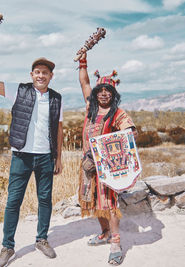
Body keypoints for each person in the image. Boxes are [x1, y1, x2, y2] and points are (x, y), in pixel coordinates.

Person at [0, 46, 63, 267]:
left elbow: (59, 129)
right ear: (32, 75)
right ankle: (7, 246)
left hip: (46, 157)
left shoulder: (57, 98)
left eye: (45, 72)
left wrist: (59, 157)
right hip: (21, 156)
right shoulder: (19, 90)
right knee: (13, 202)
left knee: (45, 200)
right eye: (37, 71)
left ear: (51, 76)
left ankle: (42, 240)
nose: (41, 75)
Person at [77, 52, 137, 266]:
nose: (103, 94)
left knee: (109, 203)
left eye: (108, 91)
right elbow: (83, 80)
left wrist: (128, 132)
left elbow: (128, 128)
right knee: (93, 202)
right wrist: (82, 61)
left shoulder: (117, 113)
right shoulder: (90, 108)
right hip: (87, 165)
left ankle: (116, 242)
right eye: (100, 90)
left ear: (113, 94)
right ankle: (104, 233)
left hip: (107, 168)